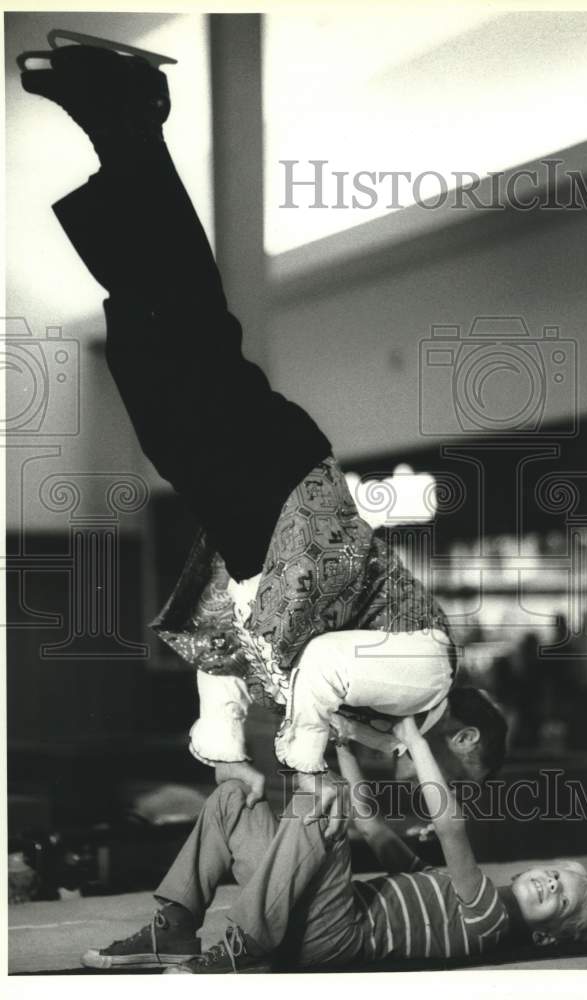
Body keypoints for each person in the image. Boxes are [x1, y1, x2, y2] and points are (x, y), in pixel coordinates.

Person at [17, 37, 506, 794]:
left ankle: (119, 124)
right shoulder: (426, 681)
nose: (433, 779)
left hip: (266, 516)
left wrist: (301, 762)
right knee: (182, 325)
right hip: (279, 491)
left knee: (155, 336)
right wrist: (304, 760)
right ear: (465, 733)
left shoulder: (388, 720)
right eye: (456, 773)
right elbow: (319, 665)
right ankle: (126, 117)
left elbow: (261, 654)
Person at [80, 722, 587, 972]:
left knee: (317, 810)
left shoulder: (489, 918)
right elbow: (370, 825)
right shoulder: (447, 891)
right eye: (555, 874)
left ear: (548, 937)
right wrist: (344, 743)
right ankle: (173, 929)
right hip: (311, 913)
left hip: (334, 934)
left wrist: (416, 744)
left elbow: (452, 827)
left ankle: (244, 951)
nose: (550, 882)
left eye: (562, 897)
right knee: (233, 796)